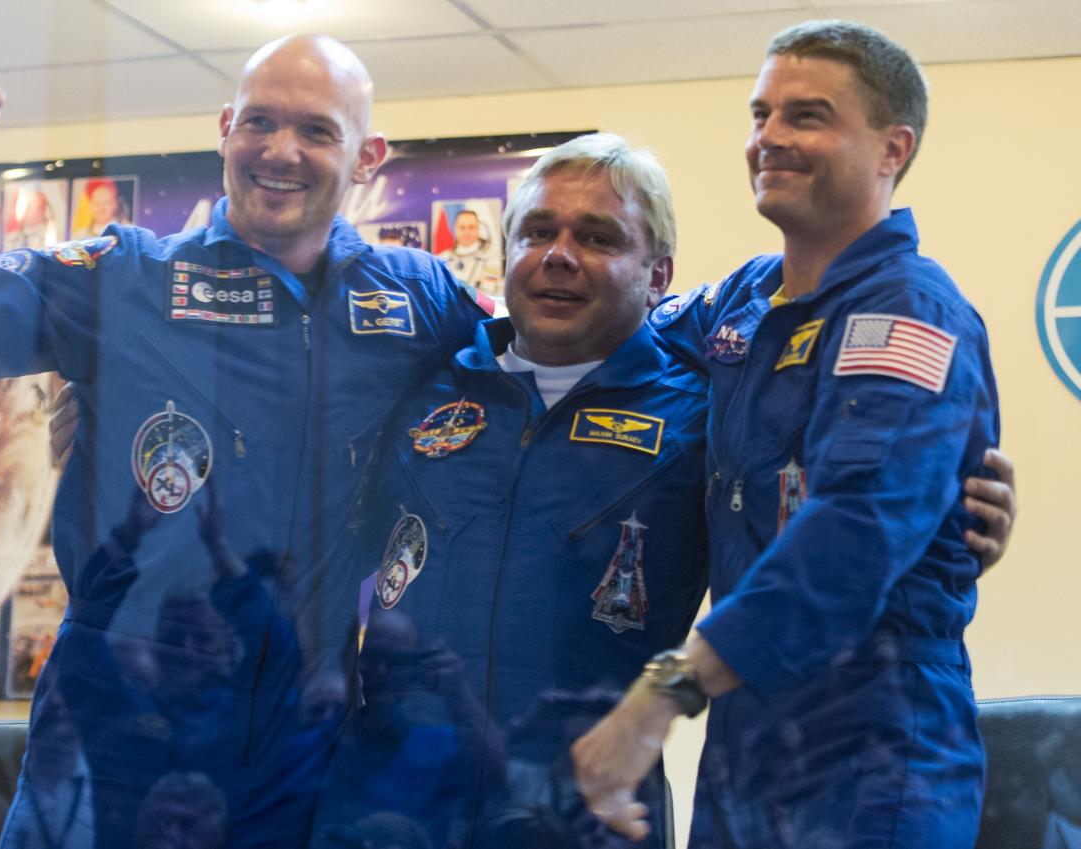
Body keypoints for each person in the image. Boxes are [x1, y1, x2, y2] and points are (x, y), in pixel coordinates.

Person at [0, 36, 488, 849]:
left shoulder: (415, 300)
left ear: (368, 157)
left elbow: (550, 378)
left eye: (317, 131)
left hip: (301, 742)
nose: (281, 151)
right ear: (224, 130)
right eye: (259, 122)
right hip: (116, 729)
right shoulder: (120, 279)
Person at [572, 20, 1005, 849]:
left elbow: (853, 534)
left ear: (892, 148)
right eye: (760, 114)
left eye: (806, 116)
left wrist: (663, 691)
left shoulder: (910, 310)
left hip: (871, 761)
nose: (769, 138)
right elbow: (615, 336)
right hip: (746, 757)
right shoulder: (746, 298)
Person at [311, 133, 707, 849]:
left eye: (598, 236)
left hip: (581, 813)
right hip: (387, 808)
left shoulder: (703, 412)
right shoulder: (422, 379)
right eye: (537, 232)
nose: (559, 254)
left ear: (657, 276)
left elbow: (796, 530)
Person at [438, 208, 503, 294]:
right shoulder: (441, 259)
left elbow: (491, 295)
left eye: (471, 227)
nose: (467, 232)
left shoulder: (491, 261)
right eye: (462, 227)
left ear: (478, 229)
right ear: (455, 229)